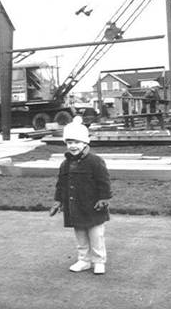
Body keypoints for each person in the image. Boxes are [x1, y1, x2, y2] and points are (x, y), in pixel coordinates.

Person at [49, 116, 113, 275]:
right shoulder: (65, 164)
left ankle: (99, 261)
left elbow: (103, 181)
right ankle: (84, 260)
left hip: (93, 206)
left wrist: (104, 198)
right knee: (80, 235)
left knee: (96, 235)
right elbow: (61, 184)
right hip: (74, 206)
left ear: (85, 143)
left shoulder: (95, 161)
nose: (72, 146)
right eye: (69, 142)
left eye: (76, 142)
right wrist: (58, 201)